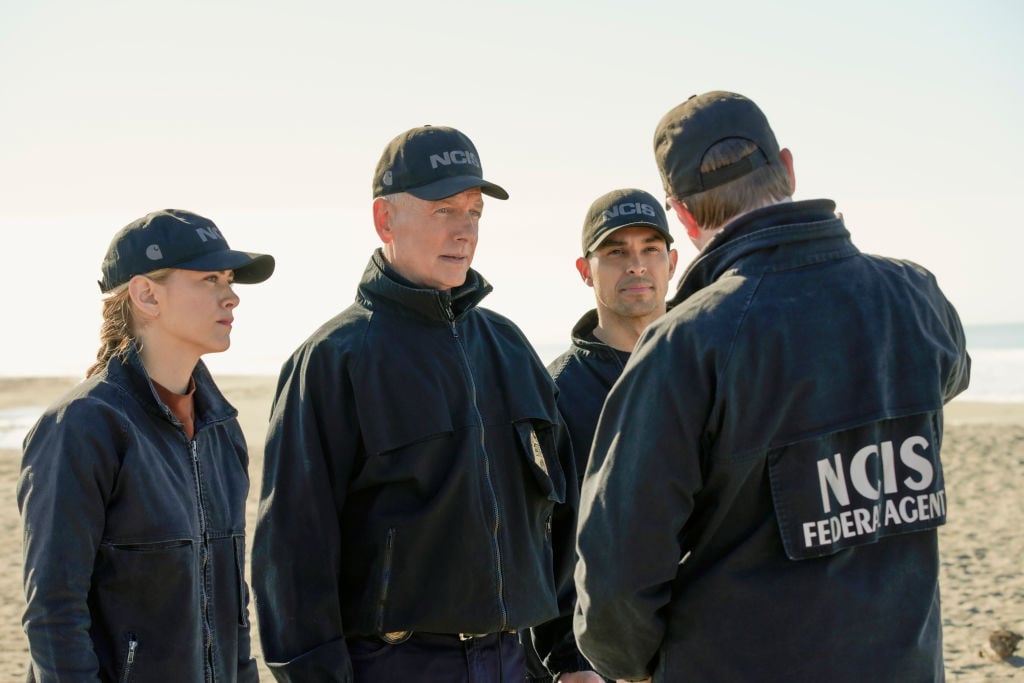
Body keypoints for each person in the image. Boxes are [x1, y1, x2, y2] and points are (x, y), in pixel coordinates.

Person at [573, 91, 971, 682]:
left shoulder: (687, 344)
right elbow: (948, 378)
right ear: (786, 168)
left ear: (681, 214)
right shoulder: (916, 297)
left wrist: (635, 665)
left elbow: (616, 575)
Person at [252, 125, 596, 683]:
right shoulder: (333, 361)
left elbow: (558, 513)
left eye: (475, 212)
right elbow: (292, 554)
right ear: (384, 219)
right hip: (394, 665)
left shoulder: (510, 348)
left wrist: (568, 656)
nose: (465, 230)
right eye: (443, 210)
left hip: (514, 661)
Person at [18, 209, 275, 681]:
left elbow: (232, 607)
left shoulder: (222, 430)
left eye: (230, 279)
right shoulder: (82, 427)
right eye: (210, 279)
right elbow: (53, 613)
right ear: (146, 295)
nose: (232, 297)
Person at [526, 189, 677, 683]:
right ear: (584, 270)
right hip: (599, 664)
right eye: (616, 252)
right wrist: (567, 660)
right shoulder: (554, 394)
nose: (636, 265)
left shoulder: (708, 369)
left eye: (649, 249)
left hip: (704, 645)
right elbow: (539, 539)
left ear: (672, 262)